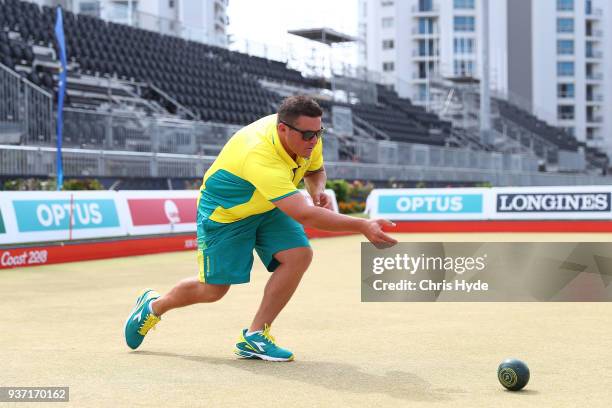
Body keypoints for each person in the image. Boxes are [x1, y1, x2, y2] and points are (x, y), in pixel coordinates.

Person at [124, 95, 397, 361]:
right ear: (282, 129)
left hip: (268, 205)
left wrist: (317, 190)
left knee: (299, 255)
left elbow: (315, 171)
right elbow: (305, 215)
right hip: (227, 213)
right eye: (308, 136)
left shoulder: (306, 135)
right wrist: (361, 224)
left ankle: (255, 337)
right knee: (213, 290)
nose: (314, 141)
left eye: (319, 133)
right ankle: (152, 307)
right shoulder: (259, 153)